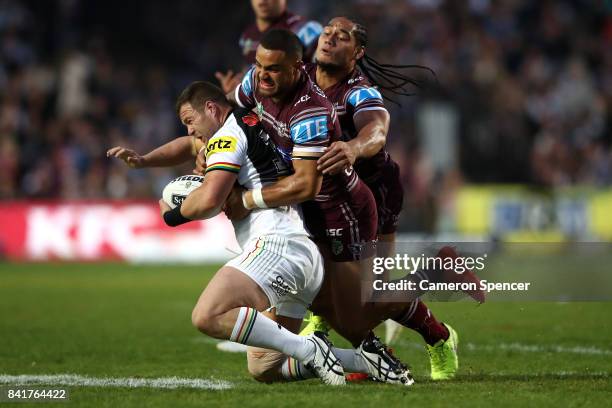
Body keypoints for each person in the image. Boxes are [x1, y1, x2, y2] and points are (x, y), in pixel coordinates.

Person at [107, 81, 413, 386]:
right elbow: (188, 146)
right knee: (265, 366)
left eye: (190, 121)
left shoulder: (226, 136)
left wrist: (169, 213)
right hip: (300, 250)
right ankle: (364, 360)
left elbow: (210, 200)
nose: (189, 130)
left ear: (211, 109)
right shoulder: (250, 121)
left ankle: (311, 348)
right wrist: (145, 160)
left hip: (275, 245)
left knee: (208, 315)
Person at [304, 16, 465, 380]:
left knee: (370, 294)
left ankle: (437, 333)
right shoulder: (299, 79)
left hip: (372, 195)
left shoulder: (359, 92)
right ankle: (346, 337)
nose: (330, 39)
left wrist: (352, 147)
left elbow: (376, 131)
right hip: (322, 195)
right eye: (327, 33)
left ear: (357, 53)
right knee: (320, 275)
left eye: (341, 37)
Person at [215, 0, 322, 93]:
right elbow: (252, 76)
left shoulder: (306, 30)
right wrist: (238, 88)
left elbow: (325, 77)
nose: (262, 0)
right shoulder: (247, 36)